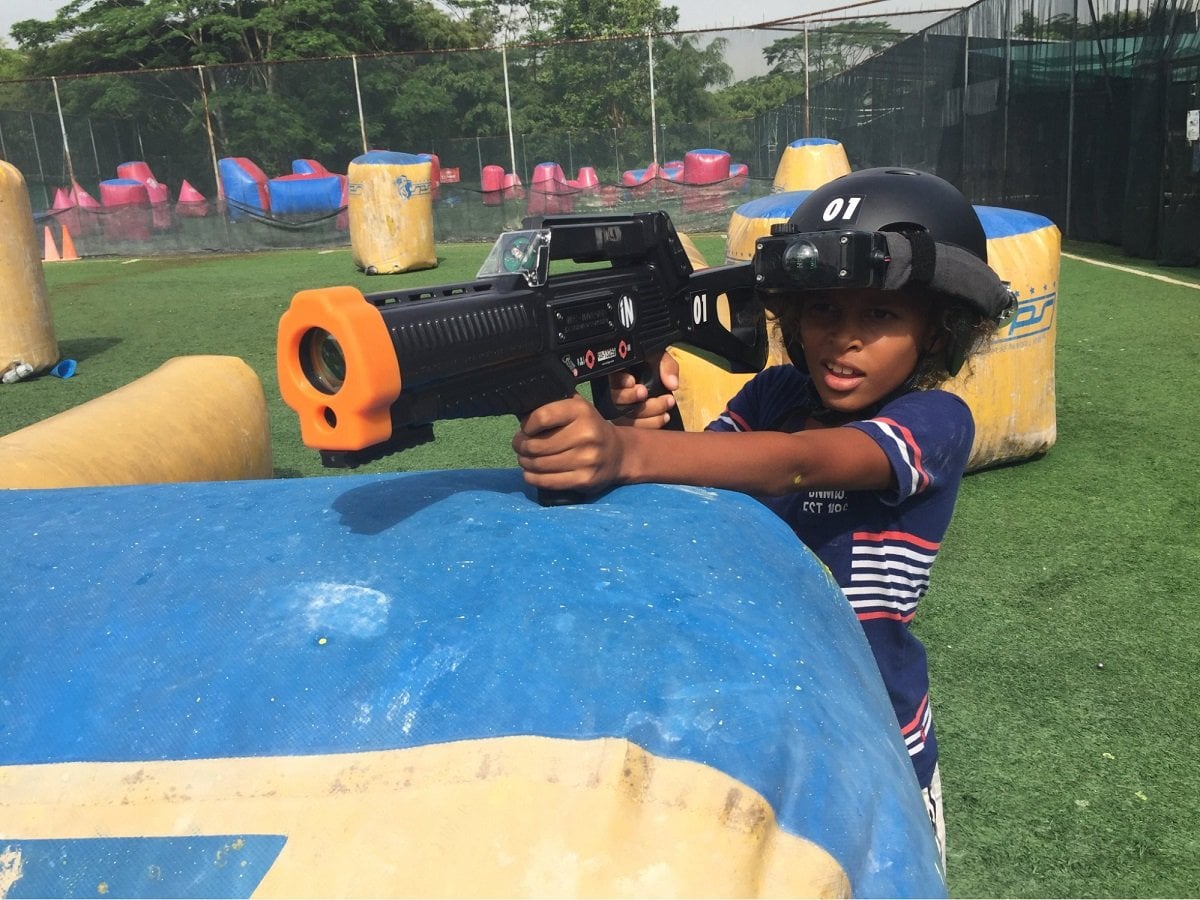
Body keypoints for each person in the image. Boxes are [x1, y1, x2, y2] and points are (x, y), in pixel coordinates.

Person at [511, 167, 1016, 867]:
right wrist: (639, 420)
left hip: (874, 728)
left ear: (937, 332)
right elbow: (704, 486)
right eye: (823, 311)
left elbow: (797, 463)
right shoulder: (776, 391)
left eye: (880, 315)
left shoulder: (934, 421)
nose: (844, 339)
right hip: (762, 712)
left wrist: (626, 451)